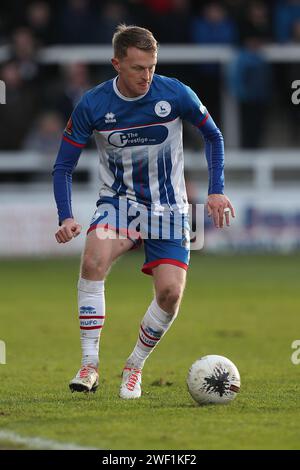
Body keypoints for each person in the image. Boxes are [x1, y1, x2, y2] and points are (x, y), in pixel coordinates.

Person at [52, 24, 235, 399]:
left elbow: (214, 136)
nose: (147, 76)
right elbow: (63, 167)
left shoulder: (176, 93)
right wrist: (66, 215)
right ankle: (89, 366)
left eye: (151, 66)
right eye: (138, 68)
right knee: (93, 261)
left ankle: (134, 366)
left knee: (169, 294)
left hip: (170, 209)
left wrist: (216, 191)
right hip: (120, 204)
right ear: (117, 63)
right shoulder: (94, 104)